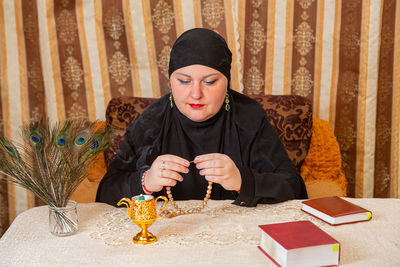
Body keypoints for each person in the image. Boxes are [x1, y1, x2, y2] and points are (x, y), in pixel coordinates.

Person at [96, 28, 307, 207]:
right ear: (170, 81)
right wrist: (146, 181)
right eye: (184, 81)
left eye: (210, 82)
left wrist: (242, 180)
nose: (196, 94)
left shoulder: (249, 117)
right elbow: (106, 192)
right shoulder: (151, 121)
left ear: (227, 82)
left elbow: (293, 186)